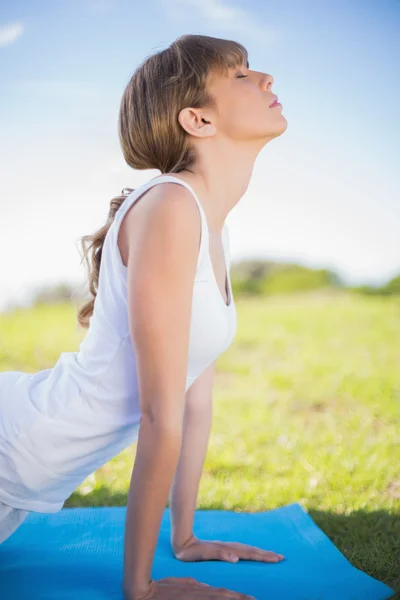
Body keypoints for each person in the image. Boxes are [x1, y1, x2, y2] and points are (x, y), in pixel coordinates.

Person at [0, 33, 287, 600]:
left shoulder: (209, 223)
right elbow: (159, 417)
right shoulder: (170, 207)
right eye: (240, 75)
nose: (266, 80)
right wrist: (143, 589)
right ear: (197, 120)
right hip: (15, 450)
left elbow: (192, 400)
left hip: (25, 470)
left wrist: (184, 537)